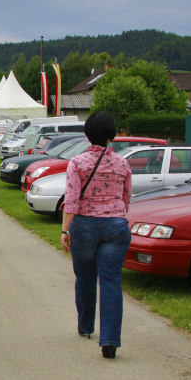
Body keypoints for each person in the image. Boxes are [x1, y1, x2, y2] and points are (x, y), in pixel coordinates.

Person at [60, 112, 132, 360]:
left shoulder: (77, 163)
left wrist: (65, 230)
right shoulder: (122, 164)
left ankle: (85, 325)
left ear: (87, 134)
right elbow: (126, 198)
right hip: (115, 226)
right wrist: (116, 215)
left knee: (85, 276)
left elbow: (71, 200)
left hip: (84, 226)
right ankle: (110, 339)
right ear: (112, 135)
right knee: (111, 280)